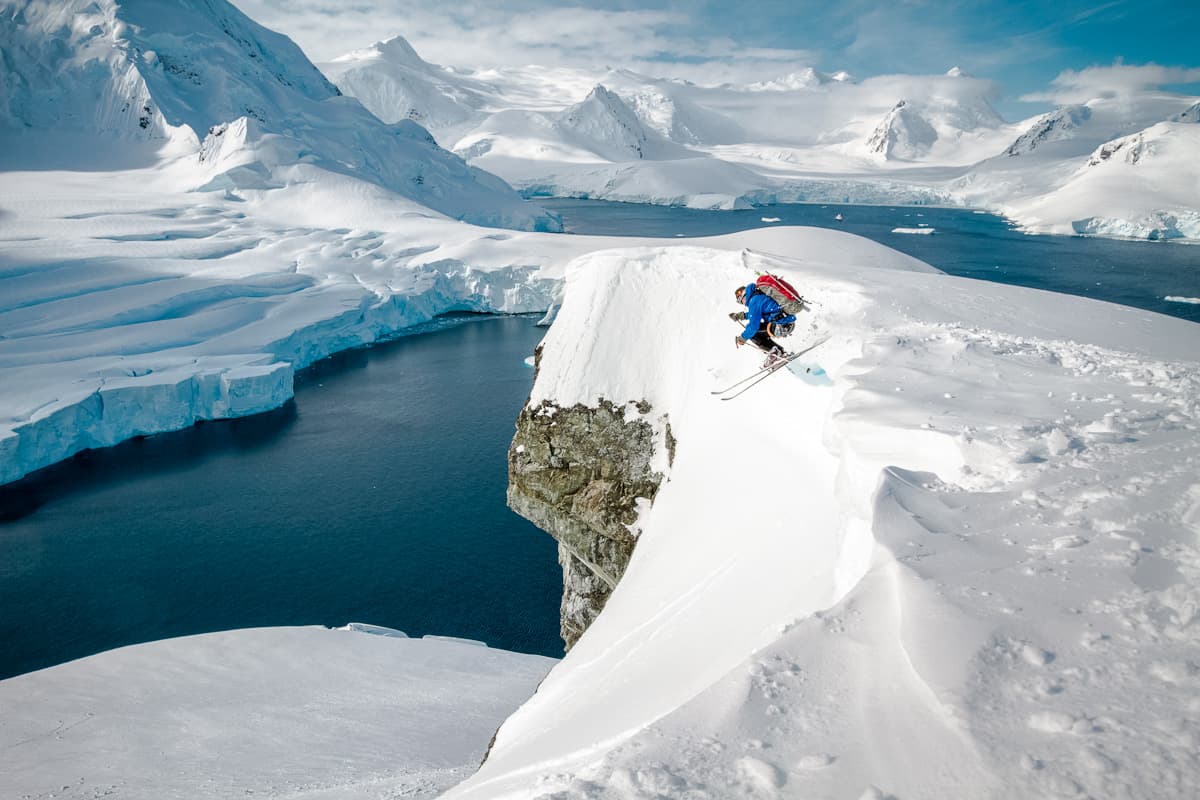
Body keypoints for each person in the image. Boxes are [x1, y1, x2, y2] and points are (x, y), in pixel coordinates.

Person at [730, 283, 796, 365]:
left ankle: (776, 354)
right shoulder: (759, 295)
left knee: (753, 334)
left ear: (743, 296)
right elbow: (758, 313)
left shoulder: (753, 301)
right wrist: (742, 316)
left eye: (741, 301)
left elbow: (753, 326)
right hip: (787, 322)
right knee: (756, 330)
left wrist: (743, 338)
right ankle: (778, 353)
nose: (743, 303)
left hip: (780, 326)